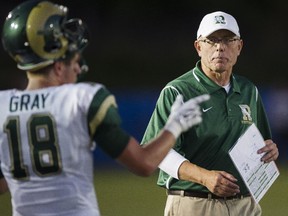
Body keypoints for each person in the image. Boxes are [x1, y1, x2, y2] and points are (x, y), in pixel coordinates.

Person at [0, 1, 210, 215]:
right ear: (59, 64)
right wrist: (174, 126)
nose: (78, 68)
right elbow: (144, 163)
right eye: (75, 59)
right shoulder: (81, 99)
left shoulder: (3, 107)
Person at [141, 11, 279, 216]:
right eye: (212, 40)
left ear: (239, 47)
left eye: (228, 40)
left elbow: (262, 142)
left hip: (245, 204)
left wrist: (270, 150)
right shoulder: (178, 92)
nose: (220, 47)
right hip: (195, 204)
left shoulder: (249, 90)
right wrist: (205, 177)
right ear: (198, 47)